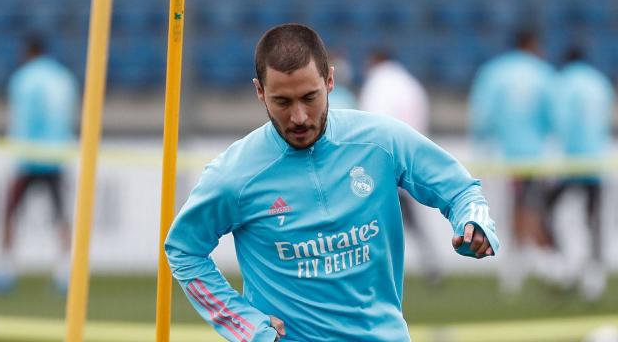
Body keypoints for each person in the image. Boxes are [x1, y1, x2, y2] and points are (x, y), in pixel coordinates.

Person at [166, 23, 499, 342]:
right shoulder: (234, 174)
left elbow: (460, 189)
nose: (298, 117)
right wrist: (244, 324)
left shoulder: (380, 141)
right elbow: (184, 249)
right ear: (260, 92)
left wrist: (474, 222)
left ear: (329, 81)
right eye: (282, 102)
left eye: (309, 97)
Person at [0, 36, 78, 294]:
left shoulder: (23, 78)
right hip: (56, 156)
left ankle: (3, 272)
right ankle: (65, 274)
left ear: (28, 52)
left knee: (10, 215)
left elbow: (24, 118)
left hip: (28, 157)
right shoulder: (64, 78)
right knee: (60, 219)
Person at [468, 28, 554, 292]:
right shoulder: (544, 73)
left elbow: (481, 116)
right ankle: (526, 266)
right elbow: (553, 117)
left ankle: (518, 266)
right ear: (531, 44)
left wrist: (483, 146)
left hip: (500, 157)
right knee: (528, 210)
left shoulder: (494, 72)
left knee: (512, 211)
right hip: (530, 156)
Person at [359, 50, 441, 283]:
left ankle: (376, 270)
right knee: (408, 218)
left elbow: (370, 124)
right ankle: (431, 262)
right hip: (410, 159)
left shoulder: (377, 84)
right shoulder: (411, 84)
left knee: (373, 220)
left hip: (382, 163)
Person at [544, 47, 614, 301]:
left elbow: (557, 123)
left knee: (547, 211)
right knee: (593, 220)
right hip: (595, 162)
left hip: (572, 162)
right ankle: (594, 279)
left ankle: (563, 267)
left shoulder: (562, 83)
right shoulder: (599, 82)